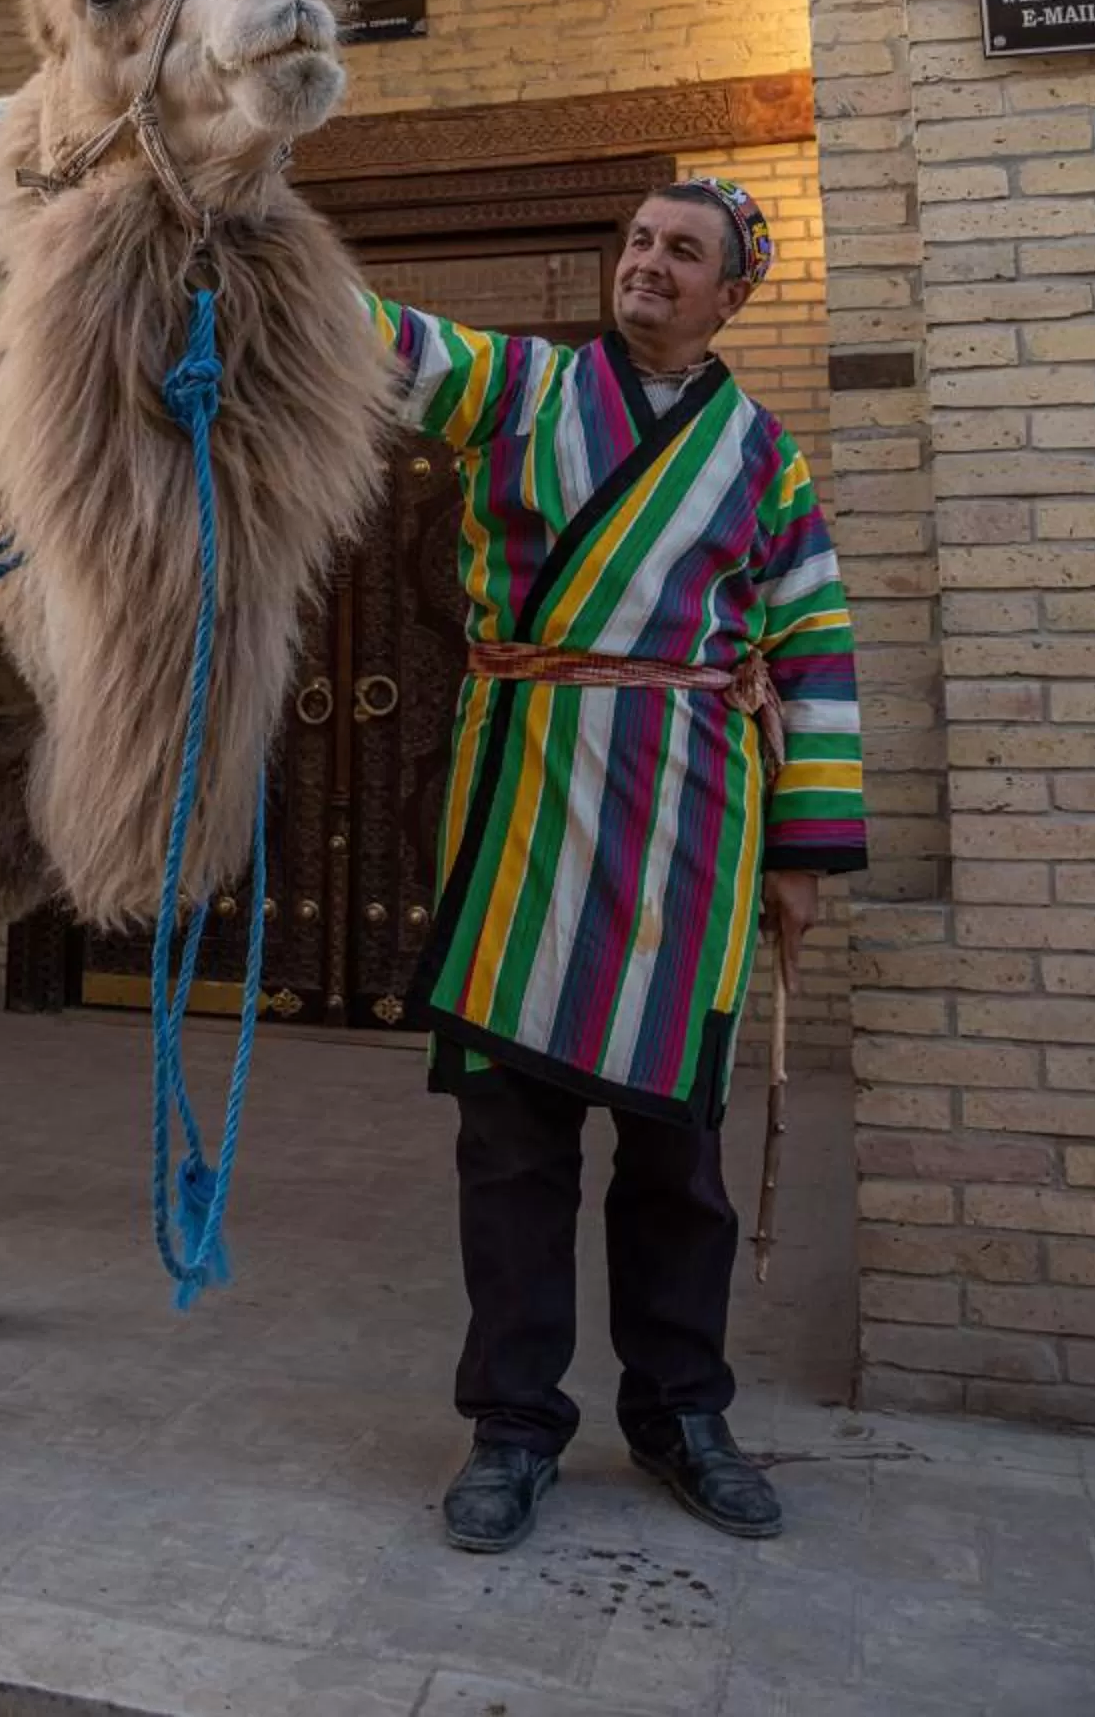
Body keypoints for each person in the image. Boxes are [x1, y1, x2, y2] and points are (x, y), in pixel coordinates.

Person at [366, 180, 865, 1550]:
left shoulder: (765, 461)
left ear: (729, 293)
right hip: (521, 796)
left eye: (681, 252)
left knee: (674, 1159)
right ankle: (513, 1426)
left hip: (691, 826)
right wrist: (234, 234)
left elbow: (811, 646)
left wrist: (803, 846)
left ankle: (681, 1412)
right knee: (509, 1149)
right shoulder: (517, 388)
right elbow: (372, 341)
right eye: (639, 242)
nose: (648, 264)